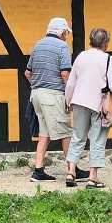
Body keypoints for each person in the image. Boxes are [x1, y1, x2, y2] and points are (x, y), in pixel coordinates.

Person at [24, 17, 87, 182]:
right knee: (66, 133)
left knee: (44, 134)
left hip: (36, 95)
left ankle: (38, 170)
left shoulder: (37, 45)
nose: (67, 36)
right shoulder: (62, 47)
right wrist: (69, 96)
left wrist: (38, 86)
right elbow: (65, 74)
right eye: (66, 32)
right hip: (53, 95)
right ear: (61, 32)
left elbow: (28, 73)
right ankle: (72, 170)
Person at [63, 27, 112, 188]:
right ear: (106, 43)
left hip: (79, 102)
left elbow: (71, 83)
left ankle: (71, 172)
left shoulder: (81, 56)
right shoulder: (109, 60)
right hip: (99, 104)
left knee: (77, 136)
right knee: (97, 139)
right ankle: (92, 177)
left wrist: (68, 101)